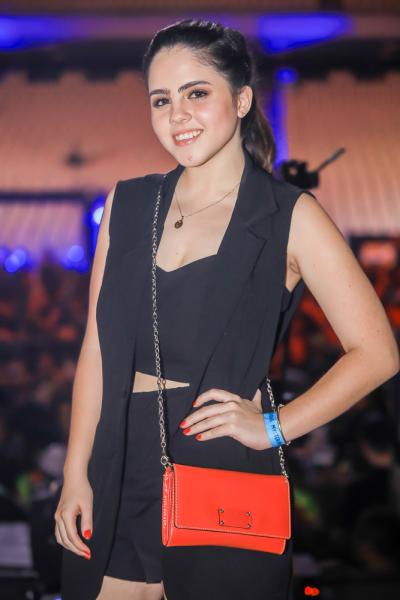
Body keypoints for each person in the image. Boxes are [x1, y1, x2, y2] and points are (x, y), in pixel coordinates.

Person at [55, 18, 399, 600]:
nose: (177, 115)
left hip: (221, 468)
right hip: (116, 459)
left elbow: (378, 353)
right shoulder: (127, 203)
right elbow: (96, 346)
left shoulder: (288, 215)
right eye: (161, 100)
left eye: (196, 93)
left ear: (241, 100)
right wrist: (74, 471)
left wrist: (274, 427)